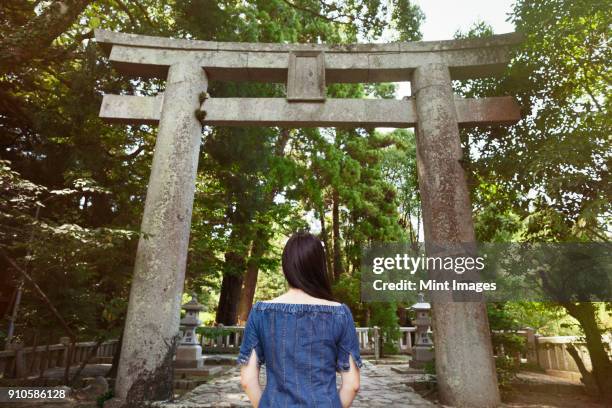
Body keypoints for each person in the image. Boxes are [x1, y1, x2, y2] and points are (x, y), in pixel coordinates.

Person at [238, 232, 362, 407]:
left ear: (286, 266)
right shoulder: (340, 314)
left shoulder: (260, 312)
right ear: (320, 267)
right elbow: (352, 385)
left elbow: (247, 380)